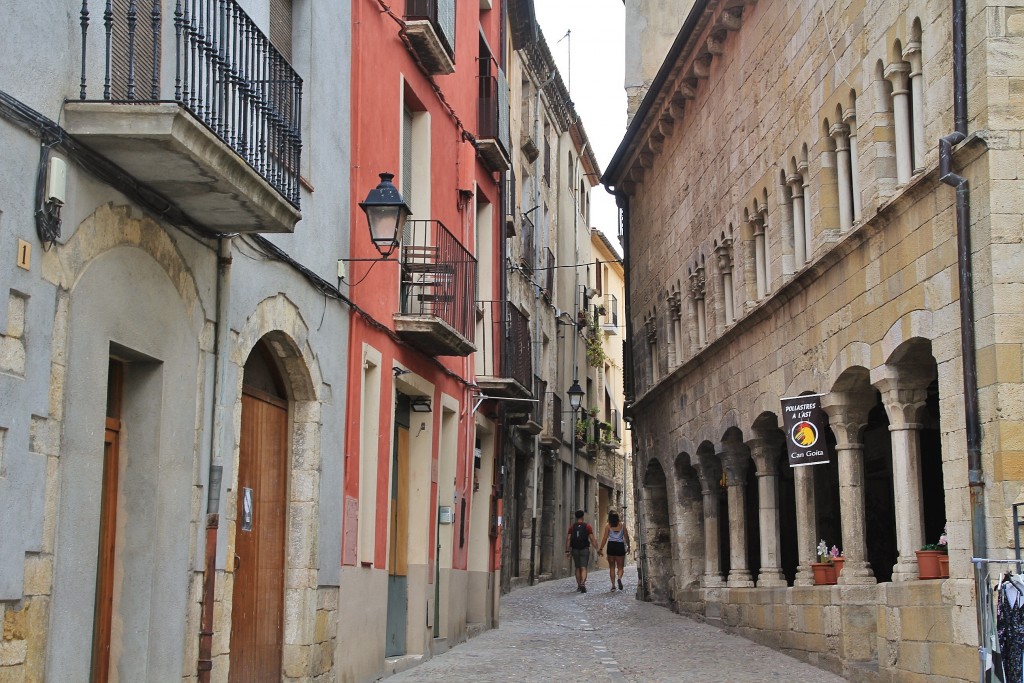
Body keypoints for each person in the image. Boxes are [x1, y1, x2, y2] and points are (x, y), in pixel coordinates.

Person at [597, 509, 631, 591]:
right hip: (619, 546)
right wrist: (628, 546)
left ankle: (613, 585)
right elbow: (626, 537)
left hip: (611, 546)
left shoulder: (608, 526)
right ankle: (619, 578)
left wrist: (601, 548)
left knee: (612, 567)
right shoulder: (622, 525)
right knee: (620, 567)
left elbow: (605, 538)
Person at [565, 509, 598, 593]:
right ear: (583, 516)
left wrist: (567, 551)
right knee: (583, 567)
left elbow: (568, 539)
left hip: (575, 549)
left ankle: (579, 585)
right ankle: (583, 583)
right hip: (584, 549)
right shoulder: (587, 526)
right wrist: (597, 549)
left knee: (577, 567)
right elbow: (592, 538)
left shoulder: (572, 527)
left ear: (576, 517)